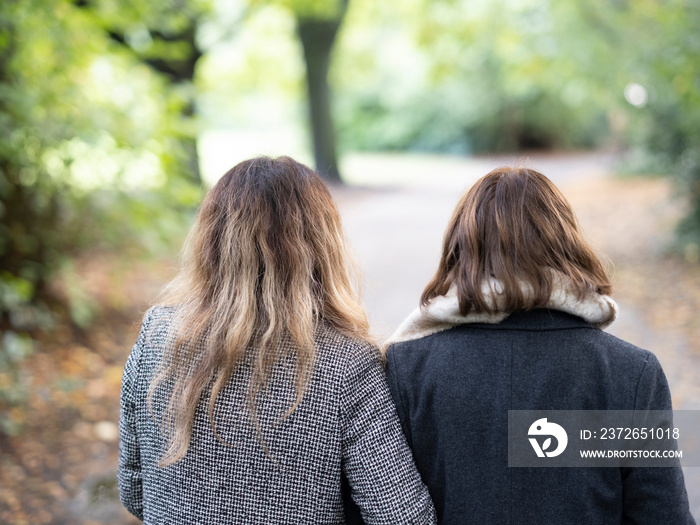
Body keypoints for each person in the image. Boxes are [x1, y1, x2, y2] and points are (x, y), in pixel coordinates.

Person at [118, 156, 437, 524]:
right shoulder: (347, 364)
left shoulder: (156, 336)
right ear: (322, 246)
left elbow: (134, 491)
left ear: (211, 241)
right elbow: (403, 518)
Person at [384, 167, 695, 524]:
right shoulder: (630, 372)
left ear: (460, 251)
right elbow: (662, 516)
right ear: (567, 244)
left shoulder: (406, 367)